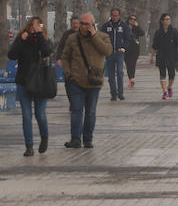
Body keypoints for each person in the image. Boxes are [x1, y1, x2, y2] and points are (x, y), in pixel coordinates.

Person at [60, 12, 112, 149]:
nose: (83, 26)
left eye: (86, 24)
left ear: (92, 25)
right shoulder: (72, 38)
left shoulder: (102, 37)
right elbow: (65, 57)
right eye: (81, 23)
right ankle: (75, 139)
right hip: (75, 81)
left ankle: (88, 139)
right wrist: (68, 73)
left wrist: (94, 36)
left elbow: (107, 51)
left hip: (94, 81)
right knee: (76, 110)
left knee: (90, 112)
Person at [7, 17, 55, 156]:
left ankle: (44, 138)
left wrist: (39, 34)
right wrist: (21, 40)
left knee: (40, 114)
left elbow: (47, 52)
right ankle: (29, 146)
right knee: (26, 116)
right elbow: (12, 55)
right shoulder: (22, 39)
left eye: (37, 25)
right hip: (24, 82)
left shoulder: (44, 39)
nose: (34, 28)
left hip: (40, 82)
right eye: (32, 25)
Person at [100, 8, 131, 101]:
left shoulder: (124, 26)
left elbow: (127, 39)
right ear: (111, 15)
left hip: (119, 52)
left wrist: (123, 48)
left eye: (116, 15)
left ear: (119, 16)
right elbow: (101, 38)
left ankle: (120, 93)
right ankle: (113, 93)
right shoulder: (106, 26)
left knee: (120, 73)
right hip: (109, 53)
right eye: (113, 15)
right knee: (111, 74)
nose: (115, 17)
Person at [150, 13, 178, 100]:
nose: (168, 21)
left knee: (172, 75)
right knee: (162, 75)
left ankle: (169, 87)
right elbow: (155, 46)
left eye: (169, 19)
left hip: (172, 56)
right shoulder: (158, 33)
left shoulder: (174, 31)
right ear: (162, 21)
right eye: (166, 19)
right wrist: (152, 57)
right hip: (161, 56)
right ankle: (164, 92)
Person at [55, 16, 80, 113]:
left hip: (80, 65)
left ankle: (77, 103)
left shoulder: (83, 34)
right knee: (68, 84)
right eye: (74, 23)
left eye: (77, 23)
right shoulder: (66, 34)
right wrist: (59, 59)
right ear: (71, 24)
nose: (75, 25)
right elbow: (60, 47)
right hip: (68, 63)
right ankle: (72, 102)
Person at [124, 14, 145, 87]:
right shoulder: (124, 27)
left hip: (135, 49)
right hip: (126, 48)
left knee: (132, 64)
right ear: (128, 19)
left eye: (134, 19)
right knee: (128, 64)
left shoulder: (136, 28)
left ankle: (131, 79)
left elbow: (142, 33)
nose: (132, 20)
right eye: (131, 19)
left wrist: (137, 26)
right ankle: (131, 78)